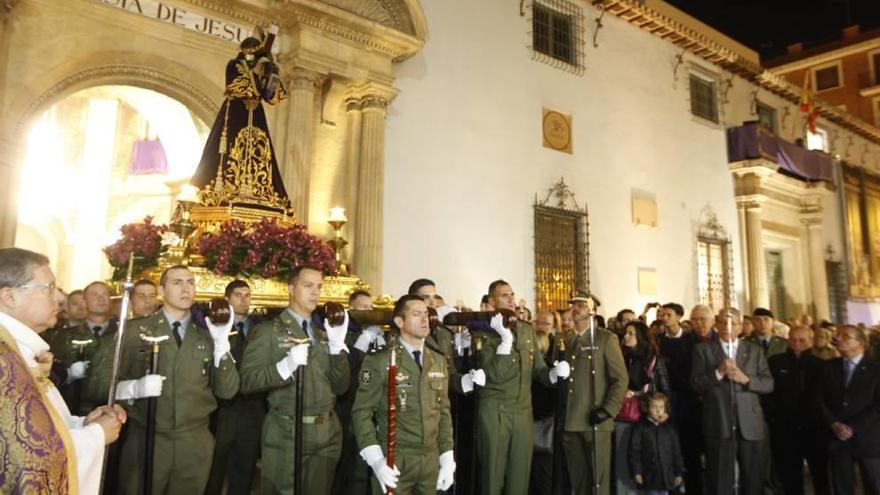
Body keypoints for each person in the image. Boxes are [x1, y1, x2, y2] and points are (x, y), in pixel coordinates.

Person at [89, 264, 240, 494]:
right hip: (147, 439)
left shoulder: (206, 336)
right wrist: (132, 389)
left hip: (193, 442)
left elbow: (227, 390)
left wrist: (221, 347)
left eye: (190, 282)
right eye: (177, 283)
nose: (186, 289)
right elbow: (98, 384)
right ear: (161, 290)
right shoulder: (134, 332)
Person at [0, 247, 126, 494]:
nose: (59, 298)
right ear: (10, 297)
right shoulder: (4, 361)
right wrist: (97, 434)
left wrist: (80, 425)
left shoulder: (15, 350)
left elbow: (32, 429)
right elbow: (30, 459)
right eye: (48, 288)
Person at [240, 264, 350, 495]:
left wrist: (337, 348)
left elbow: (341, 386)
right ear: (291, 288)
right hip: (287, 429)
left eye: (319, 287)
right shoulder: (269, 331)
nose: (315, 293)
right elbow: (248, 380)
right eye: (308, 286)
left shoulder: (322, 332)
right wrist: (284, 367)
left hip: (327, 429)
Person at [352, 294, 456, 494]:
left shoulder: (438, 359)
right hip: (395, 457)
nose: (425, 319)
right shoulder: (380, 361)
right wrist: (376, 460)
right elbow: (361, 412)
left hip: (429, 459)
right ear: (400, 321)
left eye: (426, 314)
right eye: (417, 314)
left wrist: (447, 457)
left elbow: (443, 411)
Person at [477, 279, 570, 495]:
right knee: (492, 479)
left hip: (523, 413)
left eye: (512, 294)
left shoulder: (526, 330)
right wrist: (505, 340)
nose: (511, 299)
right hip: (495, 412)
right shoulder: (483, 331)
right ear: (491, 301)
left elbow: (537, 369)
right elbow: (492, 376)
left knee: (520, 478)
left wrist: (553, 375)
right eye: (504, 295)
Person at [190, 25, 290, 211]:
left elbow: (274, 97)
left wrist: (271, 73)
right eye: (251, 54)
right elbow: (236, 87)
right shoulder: (233, 65)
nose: (252, 57)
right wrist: (255, 73)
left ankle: (260, 191)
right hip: (235, 112)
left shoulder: (263, 67)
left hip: (256, 114)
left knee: (258, 151)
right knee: (230, 148)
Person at [690, 308, 773, 495]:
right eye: (722, 322)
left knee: (753, 479)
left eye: (733, 323)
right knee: (719, 479)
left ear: (741, 326)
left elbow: (768, 384)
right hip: (719, 422)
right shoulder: (702, 350)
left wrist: (746, 379)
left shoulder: (754, 350)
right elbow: (696, 384)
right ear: (717, 325)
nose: (727, 327)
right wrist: (718, 372)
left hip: (750, 424)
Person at [560, 290, 627, 495]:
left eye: (581, 305)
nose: (575, 309)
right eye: (573, 305)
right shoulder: (566, 339)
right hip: (570, 420)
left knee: (598, 482)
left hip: (594, 419)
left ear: (592, 311)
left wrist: (607, 410)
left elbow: (620, 379)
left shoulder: (605, 339)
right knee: (578, 481)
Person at [205, 280, 266, 495]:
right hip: (222, 411)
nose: (244, 300)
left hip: (252, 411)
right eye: (238, 295)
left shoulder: (260, 329)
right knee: (214, 470)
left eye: (247, 295)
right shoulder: (214, 328)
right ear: (228, 299)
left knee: (245, 469)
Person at [817, 325, 880, 495]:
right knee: (841, 488)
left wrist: (853, 427)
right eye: (839, 336)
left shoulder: (875, 370)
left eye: (846, 336)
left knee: (874, 485)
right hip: (837, 439)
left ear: (861, 343)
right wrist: (833, 423)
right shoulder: (828, 367)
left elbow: (877, 406)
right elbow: (819, 399)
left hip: (867, 439)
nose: (839, 339)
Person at [767, 326, 829, 495]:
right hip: (785, 429)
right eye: (793, 339)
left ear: (810, 341)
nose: (797, 343)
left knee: (821, 477)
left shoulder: (822, 366)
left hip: (814, 429)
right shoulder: (775, 362)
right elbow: (769, 395)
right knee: (789, 478)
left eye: (802, 340)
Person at [614, 320, 670, 495]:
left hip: (647, 416)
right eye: (625, 333)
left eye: (631, 333)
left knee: (648, 461)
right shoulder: (619, 357)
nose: (626, 336)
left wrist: (639, 395)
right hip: (624, 416)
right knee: (623, 460)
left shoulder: (653, 359)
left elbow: (664, 388)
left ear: (641, 336)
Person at [51, 280, 118, 415]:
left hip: (112, 410)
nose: (101, 298)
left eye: (105, 294)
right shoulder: (64, 336)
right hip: (72, 408)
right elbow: (51, 374)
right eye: (95, 295)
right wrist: (69, 374)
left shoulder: (122, 334)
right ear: (85, 301)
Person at [659, 303, 702, 495]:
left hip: (688, 401)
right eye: (662, 314)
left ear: (679, 317)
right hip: (666, 401)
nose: (664, 318)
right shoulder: (657, 341)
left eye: (668, 314)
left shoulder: (692, 341)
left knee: (690, 448)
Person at [627, 392, 684, 495]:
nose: (658, 410)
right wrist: (636, 472)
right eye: (654, 407)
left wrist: (678, 472)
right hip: (649, 475)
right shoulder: (640, 428)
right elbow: (634, 452)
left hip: (666, 475)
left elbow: (676, 452)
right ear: (647, 408)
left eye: (661, 407)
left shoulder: (669, 428)